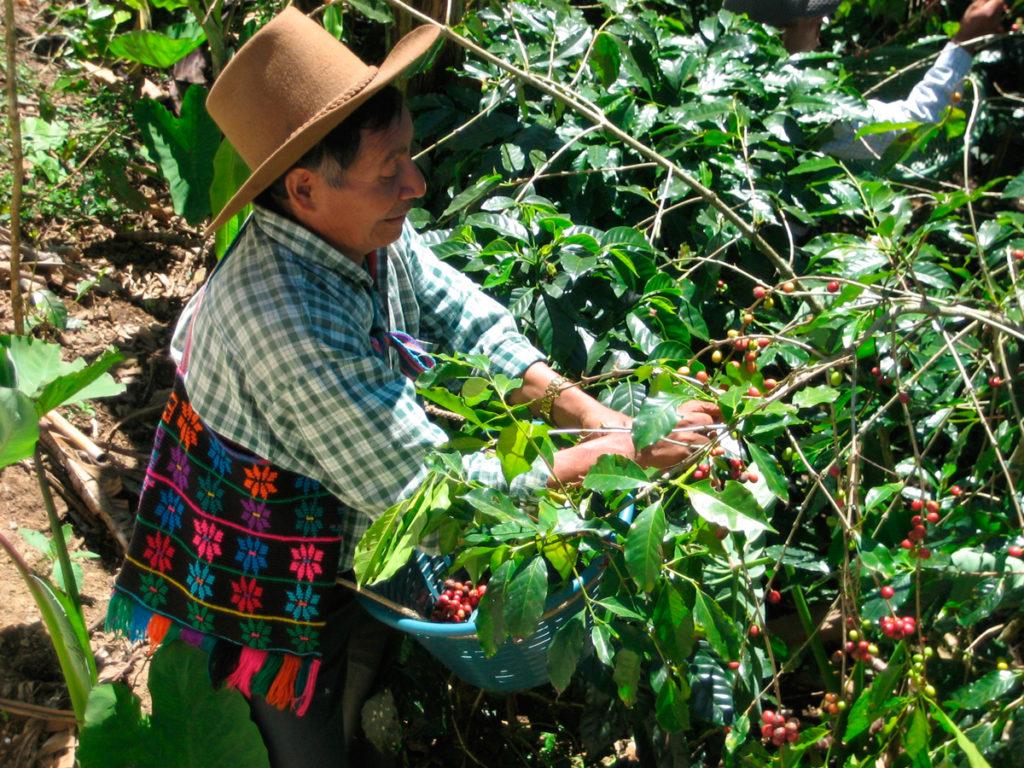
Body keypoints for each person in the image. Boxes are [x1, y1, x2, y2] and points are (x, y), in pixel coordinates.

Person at [105, 8, 721, 767]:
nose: (417, 183)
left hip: (333, 491)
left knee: (361, 642)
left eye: (409, 156)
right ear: (302, 190)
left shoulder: (356, 227)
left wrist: (587, 411)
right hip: (255, 546)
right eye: (390, 169)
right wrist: (616, 455)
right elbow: (432, 499)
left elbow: (458, 311)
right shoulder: (287, 326)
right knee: (299, 724)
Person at [723, 0, 1008, 160]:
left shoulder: (711, 72)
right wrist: (965, 42)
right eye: (817, 22)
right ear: (784, 35)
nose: (820, 36)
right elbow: (913, 124)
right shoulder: (807, 112)